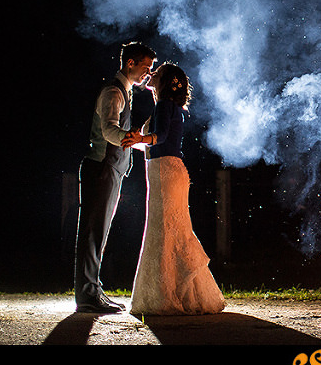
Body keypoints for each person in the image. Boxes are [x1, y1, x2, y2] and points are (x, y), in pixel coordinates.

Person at [124, 62, 225, 315]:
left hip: (165, 171)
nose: (150, 75)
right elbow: (157, 141)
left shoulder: (164, 105)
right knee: (174, 228)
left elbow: (162, 137)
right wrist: (135, 142)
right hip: (169, 168)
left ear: (165, 81)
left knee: (164, 229)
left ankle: (165, 295)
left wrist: (140, 138)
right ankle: (186, 292)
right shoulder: (170, 106)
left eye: (155, 73)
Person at [74, 41, 157, 314]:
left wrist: (136, 139)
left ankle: (92, 290)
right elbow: (109, 131)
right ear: (129, 63)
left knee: (100, 231)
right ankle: (87, 295)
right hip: (102, 167)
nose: (148, 73)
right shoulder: (113, 92)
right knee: (93, 231)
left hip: (110, 168)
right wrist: (130, 138)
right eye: (145, 67)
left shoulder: (124, 91)